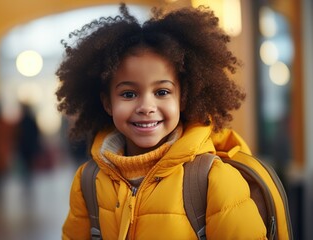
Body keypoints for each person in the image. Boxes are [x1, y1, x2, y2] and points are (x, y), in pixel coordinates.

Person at [56, 3, 268, 239]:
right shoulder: (88, 182)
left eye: (162, 92)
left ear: (183, 98)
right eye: (128, 94)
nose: (146, 107)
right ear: (107, 102)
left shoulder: (213, 180)